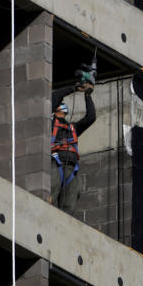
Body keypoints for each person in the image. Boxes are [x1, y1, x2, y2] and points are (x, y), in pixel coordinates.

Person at [51, 82, 95, 212]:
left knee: (69, 204)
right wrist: (73, 88)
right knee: (50, 194)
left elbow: (90, 117)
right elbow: (55, 97)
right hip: (55, 163)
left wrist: (87, 96)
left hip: (72, 167)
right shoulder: (50, 123)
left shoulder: (72, 128)